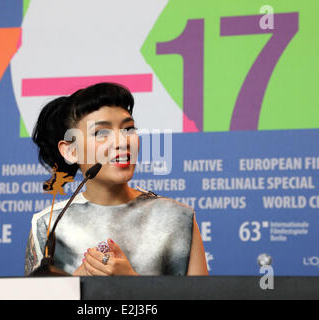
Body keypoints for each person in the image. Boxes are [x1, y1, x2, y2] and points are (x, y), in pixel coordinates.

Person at [25, 82, 208, 276]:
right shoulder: (48, 225)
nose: (122, 141)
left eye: (128, 129)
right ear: (71, 151)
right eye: (101, 133)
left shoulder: (177, 218)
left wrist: (131, 285)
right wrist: (74, 285)